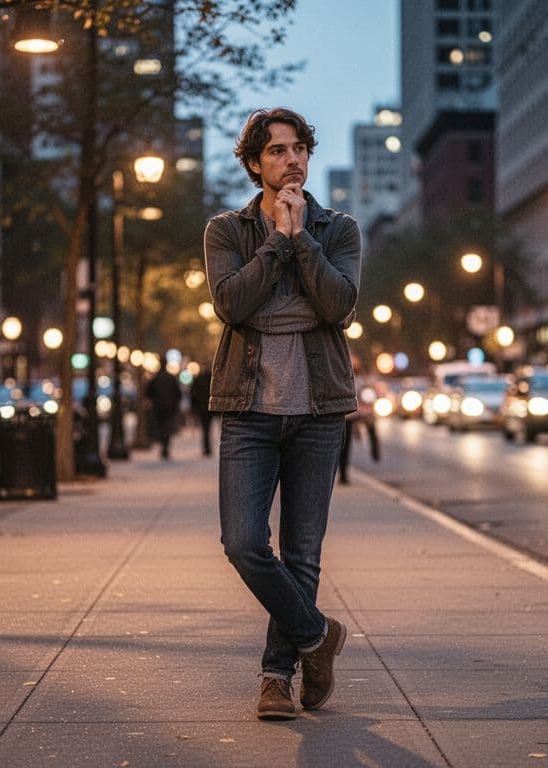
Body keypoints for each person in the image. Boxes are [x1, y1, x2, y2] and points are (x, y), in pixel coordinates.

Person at [204, 107, 362, 720]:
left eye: (299, 149)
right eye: (277, 150)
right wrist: (277, 241)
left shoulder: (338, 229)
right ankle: (318, 637)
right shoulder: (226, 231)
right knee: (243, 542)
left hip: (318, 409)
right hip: (249, 408)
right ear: (254, 163)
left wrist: (302, 241)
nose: (292, 159)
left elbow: (339, 307)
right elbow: (231, 305)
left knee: (302, 552)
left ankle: (277, 677)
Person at [144, 366, 182, 460]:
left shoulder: (156, 378)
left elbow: (148, 392)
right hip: (169, 408)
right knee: (167, 428)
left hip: (158, 408)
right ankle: (165, 446)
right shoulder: (171, 378)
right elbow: (178, 394)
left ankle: (164, 446)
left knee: (161, 427)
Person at [190, 366, 214, 456]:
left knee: (205, 428)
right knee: (207, 428)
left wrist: (193, 407)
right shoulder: (211, 379)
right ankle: (207, 447)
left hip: (201, 407)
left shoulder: (198, 379)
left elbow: (193, 393)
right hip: (209, 407)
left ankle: (206, 447)